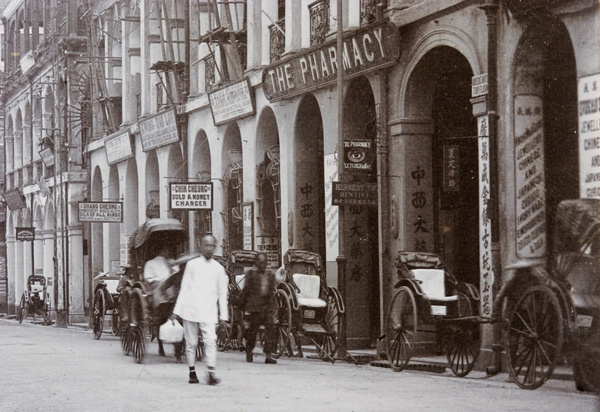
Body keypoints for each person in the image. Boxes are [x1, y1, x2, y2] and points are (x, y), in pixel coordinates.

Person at [173, 234, 228, 385]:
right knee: (191, 343)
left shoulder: (219, 269)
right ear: (200, 246)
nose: (209, 248)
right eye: (206, 245)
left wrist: (224, 316)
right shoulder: (192, 265)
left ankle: (211, 371)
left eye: (212, 246)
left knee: (211, 341)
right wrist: (176, 311)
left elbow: (223, 294)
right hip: (190, 309)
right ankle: (192, 372)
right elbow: (184, 288)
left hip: (209, 311)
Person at [237, 253, 278, 364]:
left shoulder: (270, 276)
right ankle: (249, 351)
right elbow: (246, 291)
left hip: (266, 308)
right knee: (252, 332)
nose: (263, 265)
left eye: (265, 262)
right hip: (255, 309)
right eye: (261, 263)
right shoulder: (251, 275)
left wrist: (272, 307)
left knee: (270, 330)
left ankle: (268, 355)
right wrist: (241, 305)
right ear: (256, 263)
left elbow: (271, 293)